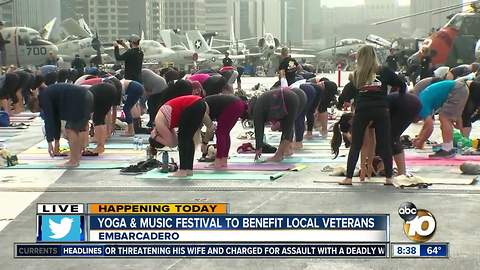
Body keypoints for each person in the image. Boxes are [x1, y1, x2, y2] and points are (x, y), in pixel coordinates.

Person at [339, 45, 406, 186]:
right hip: (381, 110)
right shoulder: (385, 71)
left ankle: (349, 178)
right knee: (384, 144)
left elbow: (345, 95)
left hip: (362, 110)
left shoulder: (357, 75)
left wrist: (346, 101)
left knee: (356, 145)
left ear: (360, 58)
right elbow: (402, 84)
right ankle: (389, 178)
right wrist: (398, 98)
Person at [149, 95, 214, 177]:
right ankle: (189, 170)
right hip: (199, 103)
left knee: (183, 138)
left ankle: (183, 170)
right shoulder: (165, 122)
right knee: (188, 138)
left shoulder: (158, 122)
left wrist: (155, 137)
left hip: (192, 104)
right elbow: (175, 142)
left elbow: (172, 144)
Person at [38, 83, 94, 167]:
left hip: (79, 98)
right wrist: (56, 142)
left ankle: (73, 161)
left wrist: (50, 143)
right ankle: (76, 157)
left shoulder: (44, 97)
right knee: (77, 130)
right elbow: (56, 121)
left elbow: (49, 121)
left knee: (70, 129)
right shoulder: (50, 95)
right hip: (87, 95)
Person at [413, 80, 468, 157]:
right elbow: (426, 126)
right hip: (459, 88)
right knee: (446, 119)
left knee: (444, 117)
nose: (418, 121)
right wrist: (419, 137)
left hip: (456, 89)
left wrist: (420, 143)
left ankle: (447, 149)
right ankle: (449, 146)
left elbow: (429, 127)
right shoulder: (422, 102)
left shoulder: (421, 106)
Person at [252, 88, 300, 162]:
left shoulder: (257, 110)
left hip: (288, 98)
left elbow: (258, 129)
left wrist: (258, 148)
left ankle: (279, 156)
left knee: (287, 128)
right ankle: (287, 150)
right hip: (295, 96)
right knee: (288, 126)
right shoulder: (261, 102)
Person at [203, 94, 248, 168]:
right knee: (225, 133)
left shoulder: (200, 107)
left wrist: (204, 143)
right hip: (238, 104)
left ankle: (218, 161)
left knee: (220, 133)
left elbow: (210, 128)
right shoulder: (203, 103)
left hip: (232, 105)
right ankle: (223, 160)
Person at [85, 83, 118, 155]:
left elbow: (85, 124)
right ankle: (101, 144)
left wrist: (84, 143)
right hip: (110, 89)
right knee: (100, 118)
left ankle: (100, 146)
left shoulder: (79, 103)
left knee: (98, 119)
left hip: (103, 91)